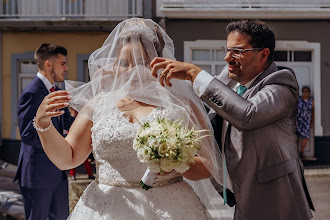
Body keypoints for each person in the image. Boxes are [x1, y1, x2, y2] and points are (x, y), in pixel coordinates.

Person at [33, 18, 228, 219]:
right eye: (125, 63)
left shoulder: (181, 104)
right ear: (116, 65)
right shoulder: (99, 104)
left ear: (159, 61)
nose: (133, 71)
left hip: (170, 207)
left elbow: (207, 165)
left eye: (142, 62)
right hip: (108, 206)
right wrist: (43, 124)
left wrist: (175, 161)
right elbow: (68, 158)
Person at [150, 19, 315, 220]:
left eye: (237, 51)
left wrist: (196, 73)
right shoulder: (227, 82)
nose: (228, 57)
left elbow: (248, 115)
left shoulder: (282, 83)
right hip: (239, 200)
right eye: (227, 50)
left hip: (277, 202)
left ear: (263, 54)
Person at [13, 43, 75, 220]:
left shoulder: (55, 91)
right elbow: (27, 134)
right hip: (38, 175)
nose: (66, 68)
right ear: (49, 64)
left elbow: (67, 121)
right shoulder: (32, 93)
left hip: (58, 173)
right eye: (62, 63)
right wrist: (63, 141)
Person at [67, 107, 95, 180]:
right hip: (73, 136)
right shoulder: (71, 118)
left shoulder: (80, 116)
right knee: (73, 157)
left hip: (81, 136)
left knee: (85, 160)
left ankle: (89, 174)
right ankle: (73, 174)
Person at [296, 85, 314, 160]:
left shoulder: (311, 100)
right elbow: (295, 110)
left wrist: (312, 121)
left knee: (305, 137)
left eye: (306, 92)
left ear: (309, 93)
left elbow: (313, 111)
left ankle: (302, 152)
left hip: (307, 120)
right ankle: (296, 152)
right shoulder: (299, 99)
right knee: (297, 137)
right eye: (303, 91)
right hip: (298, 120)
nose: (305, 93)